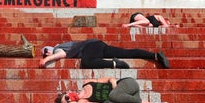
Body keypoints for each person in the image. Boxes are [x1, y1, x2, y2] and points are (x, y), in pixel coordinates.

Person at [54, 76, 170, 103]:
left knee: (113, 96)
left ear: (68, 92)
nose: (70, 99)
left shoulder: (87, 83)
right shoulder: (84, 102)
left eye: (67, 98)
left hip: (127, 84)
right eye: (68, 102)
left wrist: (115, 86)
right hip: (128, 99)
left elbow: (110, 78)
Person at [39, 39, 169, 70]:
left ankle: (115, 63)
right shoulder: (66, 45)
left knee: (87, 62)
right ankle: (155, 56)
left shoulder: (58, 48)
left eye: (46, 51)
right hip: (97, 45)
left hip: (90, 46)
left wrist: (46, 60)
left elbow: (60, 54)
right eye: (45, 54)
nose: (47, 54)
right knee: (126, 52)